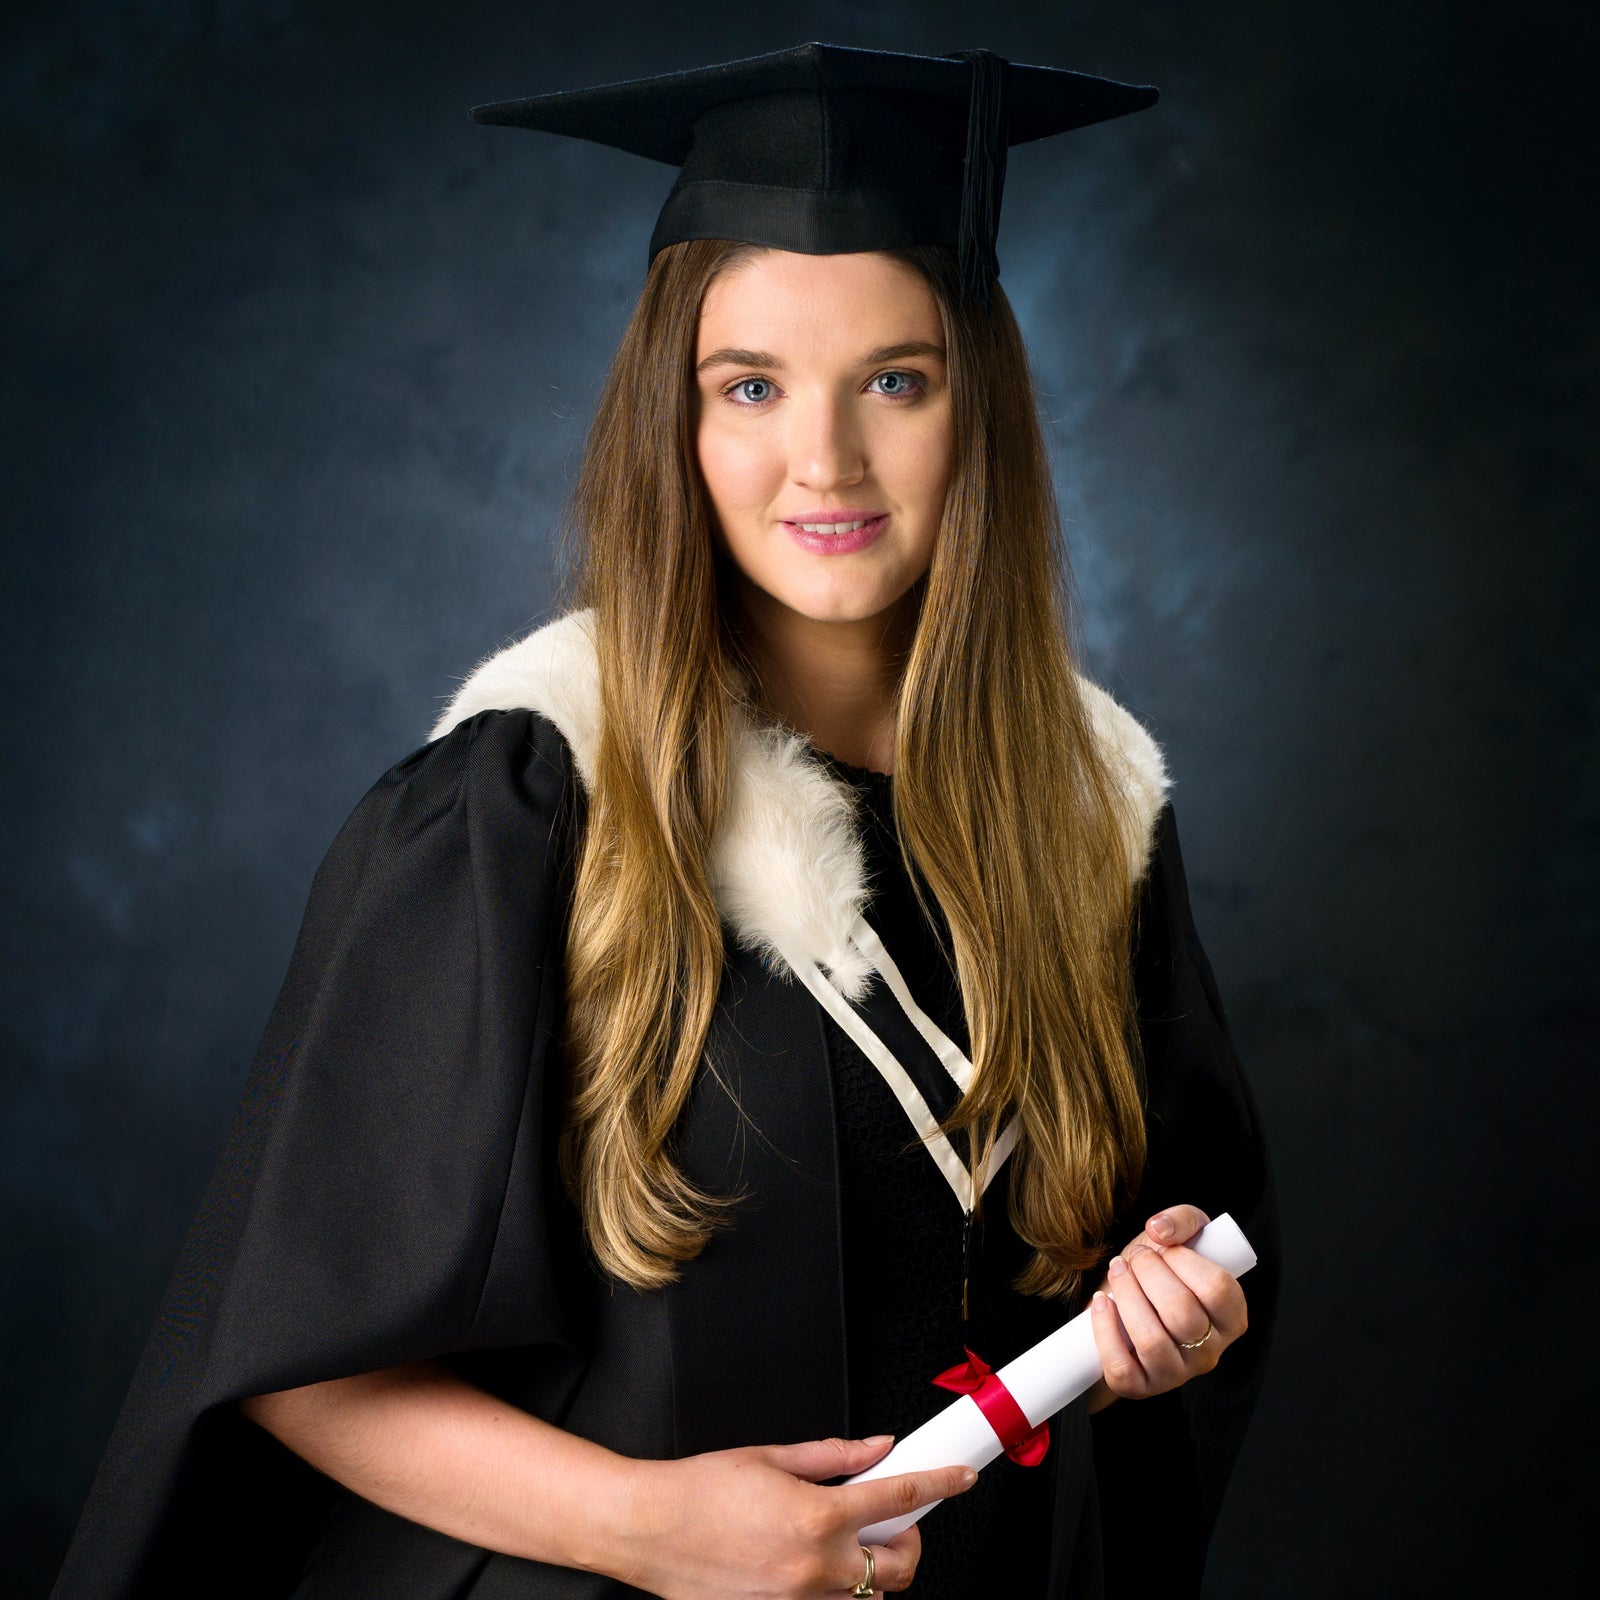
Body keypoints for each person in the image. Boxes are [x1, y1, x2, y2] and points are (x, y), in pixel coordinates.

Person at [52, 42, 1277, 1600]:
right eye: (750, 386)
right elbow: (284, 1346)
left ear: (983, 412)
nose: (823, 460)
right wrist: (652, 1529)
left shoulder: (1093, 816)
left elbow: (1156, 1272)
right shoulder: (529, 795)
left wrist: (1167, 1326)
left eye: (894, 379)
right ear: (674, 422)